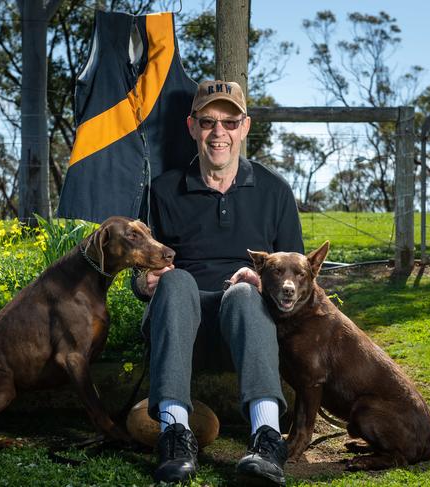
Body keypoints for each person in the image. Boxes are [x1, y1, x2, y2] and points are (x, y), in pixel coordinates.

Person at [132, 80, 304, 486]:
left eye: (229, 122)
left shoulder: (275, 191)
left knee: (244, 292)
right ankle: (175, 434)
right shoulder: (162, 191)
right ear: (192, 127)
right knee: (178, 284)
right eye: (208, 122)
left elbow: (300, 283)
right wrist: (147, 282)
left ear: (245, 127)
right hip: (178, 324)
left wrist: (262, 281)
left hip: (247, 329)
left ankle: (266, 439)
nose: (218, 132)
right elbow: (137, 277)